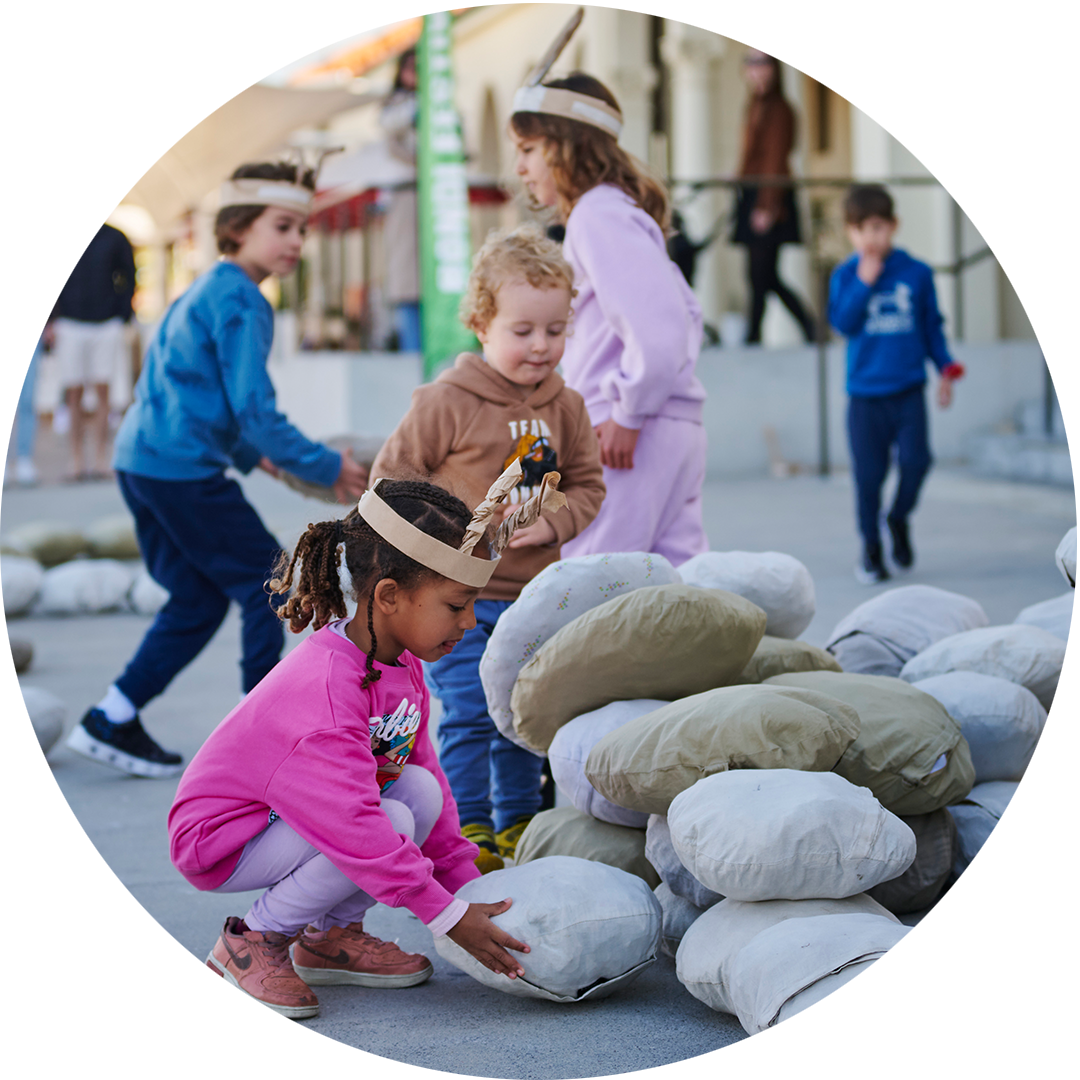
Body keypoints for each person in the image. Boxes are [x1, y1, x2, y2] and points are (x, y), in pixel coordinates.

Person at [168, 479, 533, 1019]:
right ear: (388, 597)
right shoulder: (327, 694)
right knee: (390, 820)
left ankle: (329, 937)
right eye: (457, 605)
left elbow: (420, 770)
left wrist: (468, 889)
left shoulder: (398, 661)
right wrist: (447, 917)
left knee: (419, 791)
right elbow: (354, 827)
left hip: (291, 822)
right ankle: (251, 942)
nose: (470, 622)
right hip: (224, 840)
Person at [65, 161, 369, 778]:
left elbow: (193, 394)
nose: (296, 240)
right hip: (182, 473)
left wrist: (256, 458)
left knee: (198, 599)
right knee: (271, 585)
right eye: (282, 226)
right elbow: (253, 411)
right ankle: (259, 746)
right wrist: (324, 464)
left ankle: (112, 716)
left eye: (302, 229)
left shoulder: (205, 289)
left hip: (141, 463)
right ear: (237, 227)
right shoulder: (244, 302)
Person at [370, 224, 605, 871]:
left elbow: (588, 485)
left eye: (555, 330)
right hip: (455, 600)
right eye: (522, 331)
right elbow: (390, 481)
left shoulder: (567, 406)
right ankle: (466, 827)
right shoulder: (447, 401)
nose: (541, 345)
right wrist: (441, 540)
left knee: (523, 714)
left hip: (535, 599)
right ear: (480, 324)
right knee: (472, 713)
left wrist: (554, 523)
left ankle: (519, 822)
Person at [510, 72, 708, 567]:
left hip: (629, 432)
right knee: (677, 586)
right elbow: (684, 315)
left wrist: (629, 411)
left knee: (596, 584)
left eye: (529, 149)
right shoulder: (617, 211)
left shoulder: (596, 215)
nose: (520, 167)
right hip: (667, 425)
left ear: (566, 145)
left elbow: (659, 330)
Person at [828, 183, 965, 584]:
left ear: (894, 225)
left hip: (907, 390)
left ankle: (898, 518)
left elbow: (931, 327)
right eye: (861, 229)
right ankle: (871, 549)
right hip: (865, 397)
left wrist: (945, 368)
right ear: (850, 232)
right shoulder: (845, 275)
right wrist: (864, 282)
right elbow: (842, 323)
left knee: (917, 462)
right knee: (868, 478)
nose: (871, 237)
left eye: (878, 227)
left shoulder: (917, 273)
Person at [732, 50, 816, 345]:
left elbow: (776, 160)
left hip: (769, 195)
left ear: (774, 68)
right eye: (751, 63)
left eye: (763, 63)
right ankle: (803, 328)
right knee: (762, 275)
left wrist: (767, 206)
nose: (756, 70)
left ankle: (755, 336)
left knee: (761, 273)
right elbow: (752, 156)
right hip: (754, 192)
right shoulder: (754, 105)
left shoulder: (780, 109)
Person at [52, 222, 137, 480]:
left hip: (106, 322)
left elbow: (128, 275)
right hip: (70, 322)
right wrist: (53, 318)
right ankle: (76, 459)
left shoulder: (114, 237)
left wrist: (122, 314)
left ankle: (101, 458)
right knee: (73, 392)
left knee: (103, 391)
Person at [381, 47, 422, 352]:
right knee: (407, 273)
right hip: (406, 192)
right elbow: (391, 135)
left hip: (432, 191)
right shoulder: (395, 106)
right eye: (411, 67)